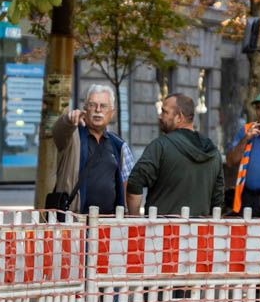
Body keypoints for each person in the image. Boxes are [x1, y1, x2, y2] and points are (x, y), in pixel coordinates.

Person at [125, 94, 224, 216]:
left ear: (179, 117)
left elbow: (135, 182)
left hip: (161, 232)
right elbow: (218, 201)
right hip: (199, 232)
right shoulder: (214, 153)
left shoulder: (160, 146)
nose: (160, 116)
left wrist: (135, 220)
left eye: (164, 112)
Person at [52, 84, 135, 215]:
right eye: (92, 105)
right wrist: (67, 120)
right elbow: (58, 131)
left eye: (103, 106)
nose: (98, 110)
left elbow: (126, 186)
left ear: (112, 113)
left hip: (108, 225)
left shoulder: (119, 145)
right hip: (75, 221)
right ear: (85, 109)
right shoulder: (72, 137)